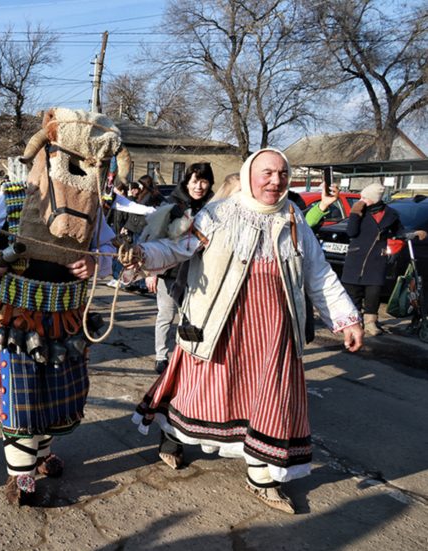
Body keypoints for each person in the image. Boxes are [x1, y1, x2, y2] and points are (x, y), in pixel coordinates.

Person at [124, 149, 364, 514]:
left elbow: (318, 273)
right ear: (250, 174)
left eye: (283, 173)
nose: (276, 180)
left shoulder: (294, 217)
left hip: (275, 330)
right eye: (267, 173)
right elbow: (177, 248)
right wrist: (141, 255)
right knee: (200, 394)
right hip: (221, 324)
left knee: (270, 400)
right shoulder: (219, 213)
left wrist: (347, 319)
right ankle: (172, 438)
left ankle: (262, 477)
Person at [0, 107, 123, 505]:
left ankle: (44, 454)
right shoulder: (12, 197)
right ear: (49, 156)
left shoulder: (93, 209)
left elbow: (108, 251)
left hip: (66, 318)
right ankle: (21, 475)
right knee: (20, 394)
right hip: (16, 318)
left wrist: (98, 262)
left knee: (55, 393)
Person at [143, 162, 215, 374]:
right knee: (166, 314)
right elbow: (156, 238)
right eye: (195, 181)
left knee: (193, 317)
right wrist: (152, 272)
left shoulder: (215, 206)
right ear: (187, 182)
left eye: (204, 181)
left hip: (202, 273)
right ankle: (161, 356)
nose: (199, 186)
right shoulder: (172, 203)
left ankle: (186, 356)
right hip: (171, 271)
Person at [341, 183, 427, 336]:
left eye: (364, 198)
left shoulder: (390, 214)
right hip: (356, 257)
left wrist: (414, 233)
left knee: (373, 294)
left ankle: (370, 323)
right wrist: (355, 214)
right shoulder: (360, 211)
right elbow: (351, 233)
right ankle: (353, 323)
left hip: (376, 259)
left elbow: (400, 231)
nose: (361, 200)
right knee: (353, 293)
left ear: (374, 199)